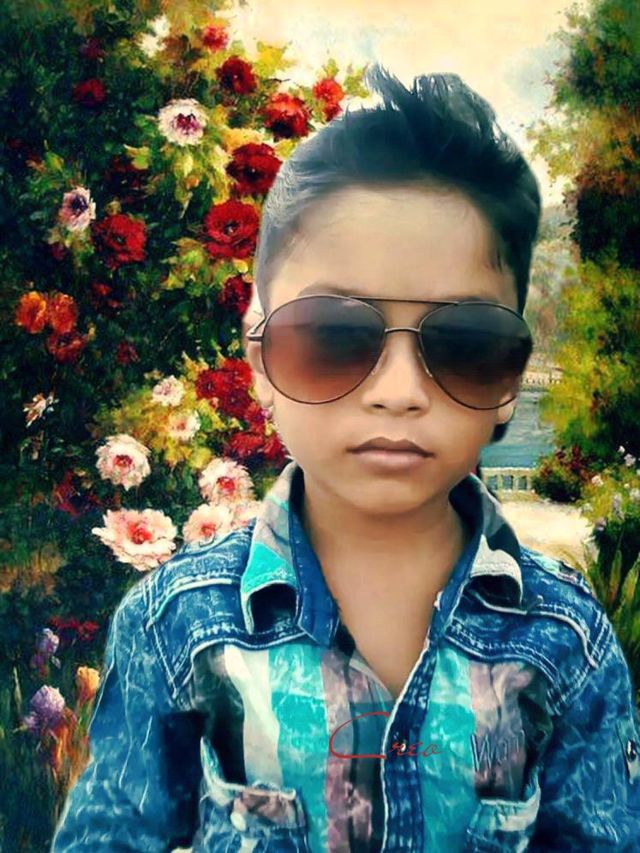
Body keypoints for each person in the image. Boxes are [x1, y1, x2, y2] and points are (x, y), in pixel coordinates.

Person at [52, 64, 640, 852]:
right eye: (333, 334)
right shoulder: (175, 622)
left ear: (509, 379)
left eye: (465, 343)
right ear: (261, 361)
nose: (399, 392)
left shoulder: (568, 637)